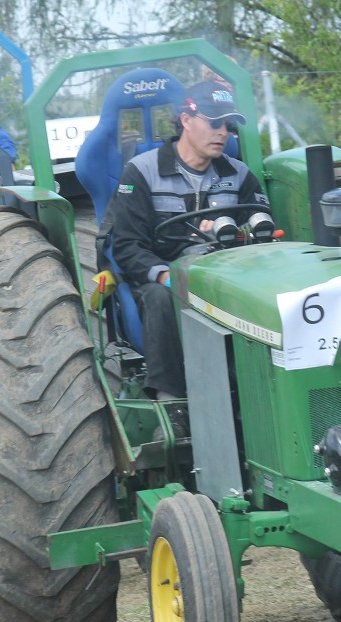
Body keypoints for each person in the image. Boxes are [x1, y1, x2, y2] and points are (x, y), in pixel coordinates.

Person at [109, 80, 270, 436]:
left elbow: (266, 237)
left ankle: (255, 396)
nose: (223, 133)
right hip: (164, 276)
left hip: (224, 274)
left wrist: (235, 233)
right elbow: (126, 246)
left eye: (228, 125)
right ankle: (173, 404)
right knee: (162, 295)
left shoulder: (239, 175)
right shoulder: (142, 171)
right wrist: (164, 275)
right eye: (215, 123)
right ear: (186, 119)